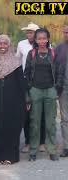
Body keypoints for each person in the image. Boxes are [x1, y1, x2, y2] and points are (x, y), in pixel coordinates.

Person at [0, 35, 26, 164]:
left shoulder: (16, 62)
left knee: (11, 127)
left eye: (5, 44)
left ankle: (10, 156)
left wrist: (26, 100)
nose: (2, 46)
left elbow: (21, 82)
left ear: (9, 45)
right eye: (0, 44)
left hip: (13, 101)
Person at [25, 28, 61, 161]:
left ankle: (52, 150)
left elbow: (59, 72)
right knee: (35, 121)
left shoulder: (53, 53)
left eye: (44, 38)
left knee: (51, 122)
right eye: (39, 38)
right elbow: (26, 72)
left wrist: (57, 88)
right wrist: (29, 90)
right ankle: (33, 151)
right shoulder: (32, 53)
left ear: (48, 39)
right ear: (35, 40)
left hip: (50, 90)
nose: (42, 41)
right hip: (35, 90)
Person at [16, 22, 46, 153]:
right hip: (25, 81)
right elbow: (17, 62)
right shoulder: (21, 44)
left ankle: (42, 142)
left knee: (42, 113)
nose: (29, 34)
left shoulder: (44, 45)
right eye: (28, 32)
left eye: (32, 32)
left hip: (41, 82)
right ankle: (28, 142)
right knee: (27, 114)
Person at [54, 25, 68, 157]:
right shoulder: (59, 48)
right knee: (64, 118)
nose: (66, 34)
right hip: (64, 88)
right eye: (65, 32)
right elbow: (54, 67)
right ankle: (66, 146)